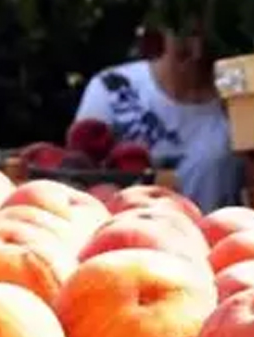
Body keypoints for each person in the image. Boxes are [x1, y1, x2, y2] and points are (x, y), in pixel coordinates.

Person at [73, 6, 243, 212]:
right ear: (164, 32)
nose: (197, 52)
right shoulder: (113, 88)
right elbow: (79, 174)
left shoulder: (239, 107)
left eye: (209, 42)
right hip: (122, 229)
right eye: (187, 36)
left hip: (209, 236)